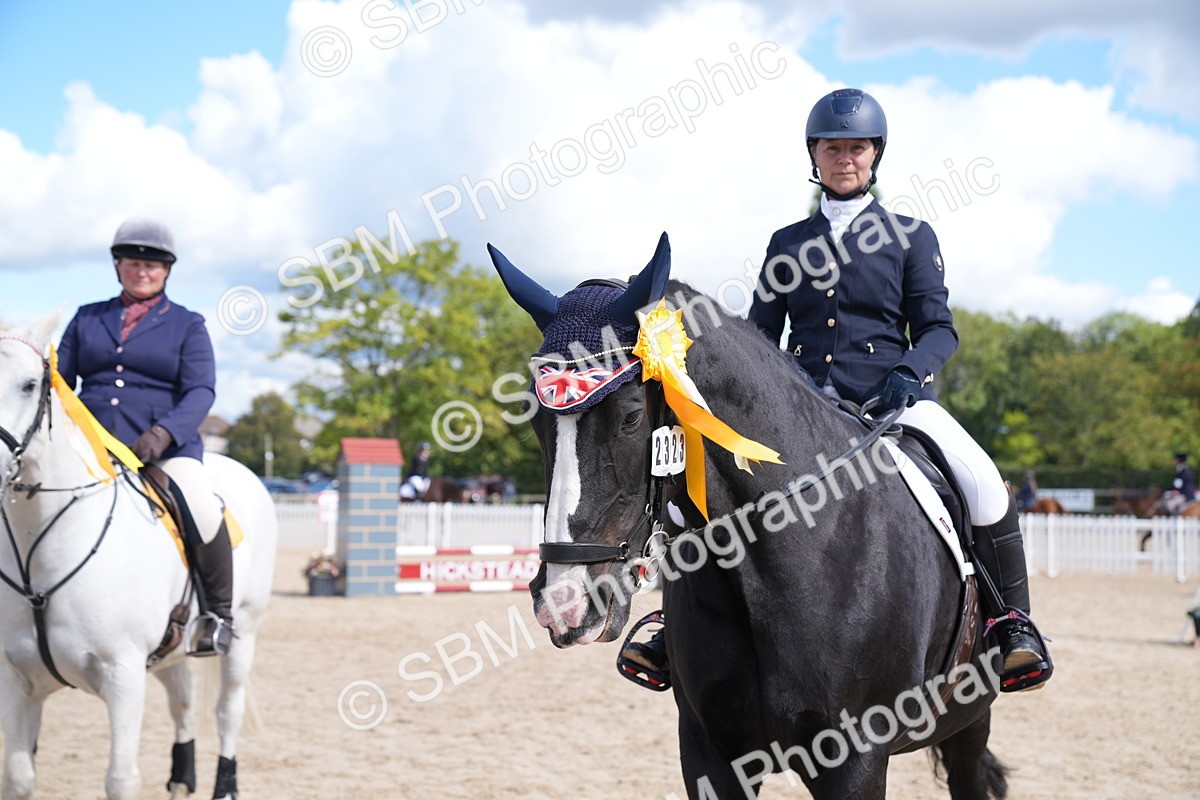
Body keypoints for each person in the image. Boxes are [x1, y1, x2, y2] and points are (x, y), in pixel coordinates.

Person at [622, 88, 1051, 693]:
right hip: (797, 405)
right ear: (814, 156)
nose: (844, 157)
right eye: (833, 148)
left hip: (893, 403)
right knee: (708, 477)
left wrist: (910, 372)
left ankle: (1013, 627)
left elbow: (937, 328)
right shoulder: (788, 242)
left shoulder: (910, 236)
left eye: (857, 147)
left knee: (981, 481)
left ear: (875, 156)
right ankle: (676, 624)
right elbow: (761, 336)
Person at [56, 218, 233, 657]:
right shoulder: (87, 317)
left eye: (152, 265)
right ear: (118, 267)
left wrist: (163, 432)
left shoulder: (188, 325)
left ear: (167, 271)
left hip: (163, 450)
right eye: (133, 263)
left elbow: (200, 391)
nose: (142, 271)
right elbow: (60, 380)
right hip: (91, 444)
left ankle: (217, 616)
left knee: (202, 506)